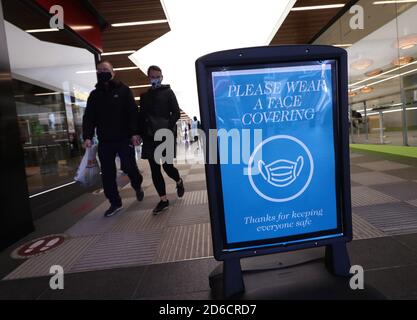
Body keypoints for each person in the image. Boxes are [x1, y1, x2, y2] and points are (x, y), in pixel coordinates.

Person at [82, 60, 144, 217]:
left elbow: (132, 112)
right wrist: (87, 136)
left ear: (113, 72)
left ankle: (137, 184)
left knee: (129, 167)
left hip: (124, 138)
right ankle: (115, 203)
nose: (102, 72)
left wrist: (135, 133)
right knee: (108, 174)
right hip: (105, 141)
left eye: (105, 69)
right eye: (99, 70)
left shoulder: (123, 90)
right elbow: (88, 117)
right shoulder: (94, 95)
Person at [138, 65, 185, 214]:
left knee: (167, 166)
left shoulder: (168, 92)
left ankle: (178, 181)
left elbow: (176, 113)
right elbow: (141, 117)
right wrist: (139, 133)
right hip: (150, 136)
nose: (155, 79)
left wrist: (167, 126)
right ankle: (163, 200)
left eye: (158, 76)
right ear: (148, 77)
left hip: (166, 135)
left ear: (162, 77)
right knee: (154, 168)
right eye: (152, 76)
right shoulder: (144, 97)